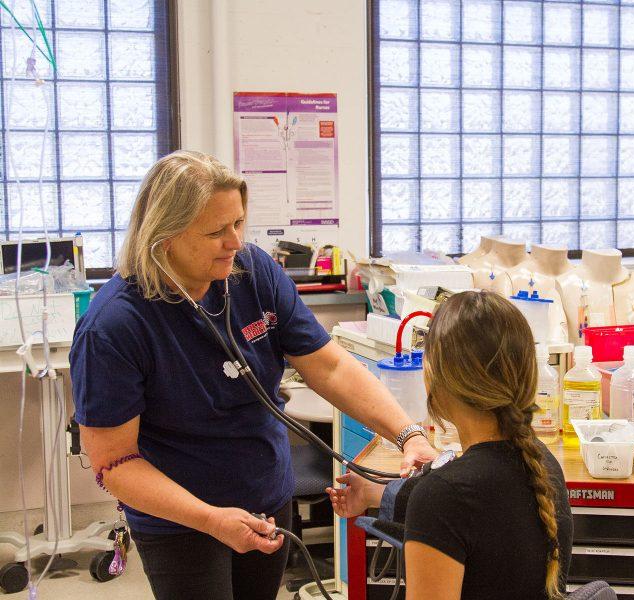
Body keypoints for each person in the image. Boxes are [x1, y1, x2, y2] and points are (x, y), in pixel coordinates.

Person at [69, 151, 437, 600]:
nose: (235, 242)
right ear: (164, 237)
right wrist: (210, 518)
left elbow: (331, 365)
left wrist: (409, 434)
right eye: (216, 231)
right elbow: (115, 462)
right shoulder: (113, 326)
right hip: (181, 522)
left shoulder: (253, 273)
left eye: (238, 224)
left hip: (266, 497)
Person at [328, 291, 574, 600]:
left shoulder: (444, 495)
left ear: (435, 382)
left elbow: (455, 505)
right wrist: (374, 493)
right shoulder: (543, 464)